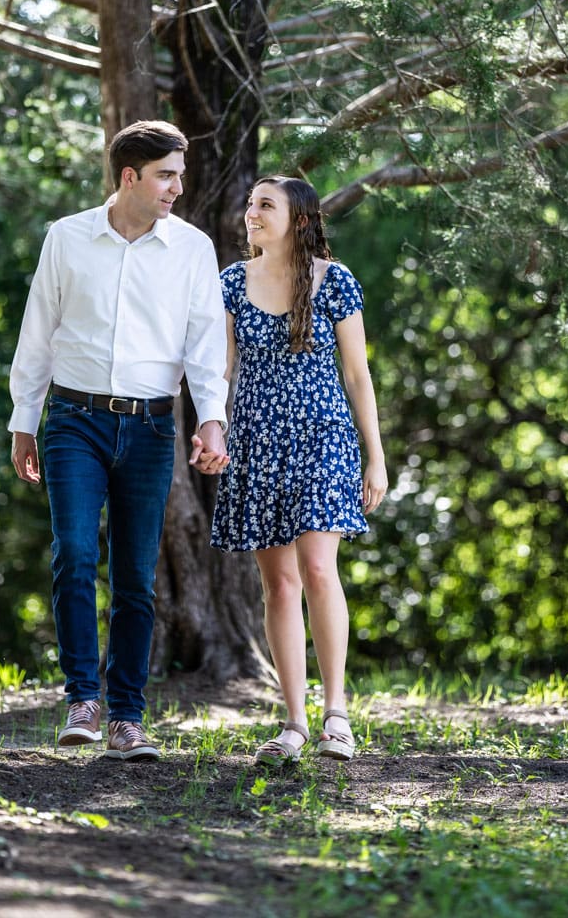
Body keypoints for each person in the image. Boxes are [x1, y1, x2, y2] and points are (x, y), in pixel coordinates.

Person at [8, 120, 229, 763]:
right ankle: (83, 699)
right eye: (166, 175)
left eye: (180, 176)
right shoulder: (67, 238)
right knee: (74, 553)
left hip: (154, 426)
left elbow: (204, 346)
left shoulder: (191, 249)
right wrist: (25, 420)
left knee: (135, 575)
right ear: (129, 176)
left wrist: (210, 418)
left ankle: (127, 717)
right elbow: (37, 332)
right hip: (73, 421)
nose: (177, 189)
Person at [199, 175, 388, 765]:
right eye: (251, 203)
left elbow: (358, 376)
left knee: (317, 567)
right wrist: (212, 427)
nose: (250, 212)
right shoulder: (231, 282)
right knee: (278, 583)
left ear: (299, 220)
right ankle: (294, 722)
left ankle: (337, 715)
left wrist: (374, 455)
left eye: (265, 205)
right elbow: (221, 372)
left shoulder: (336, 282)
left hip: (322, 437)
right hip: (257, 441)